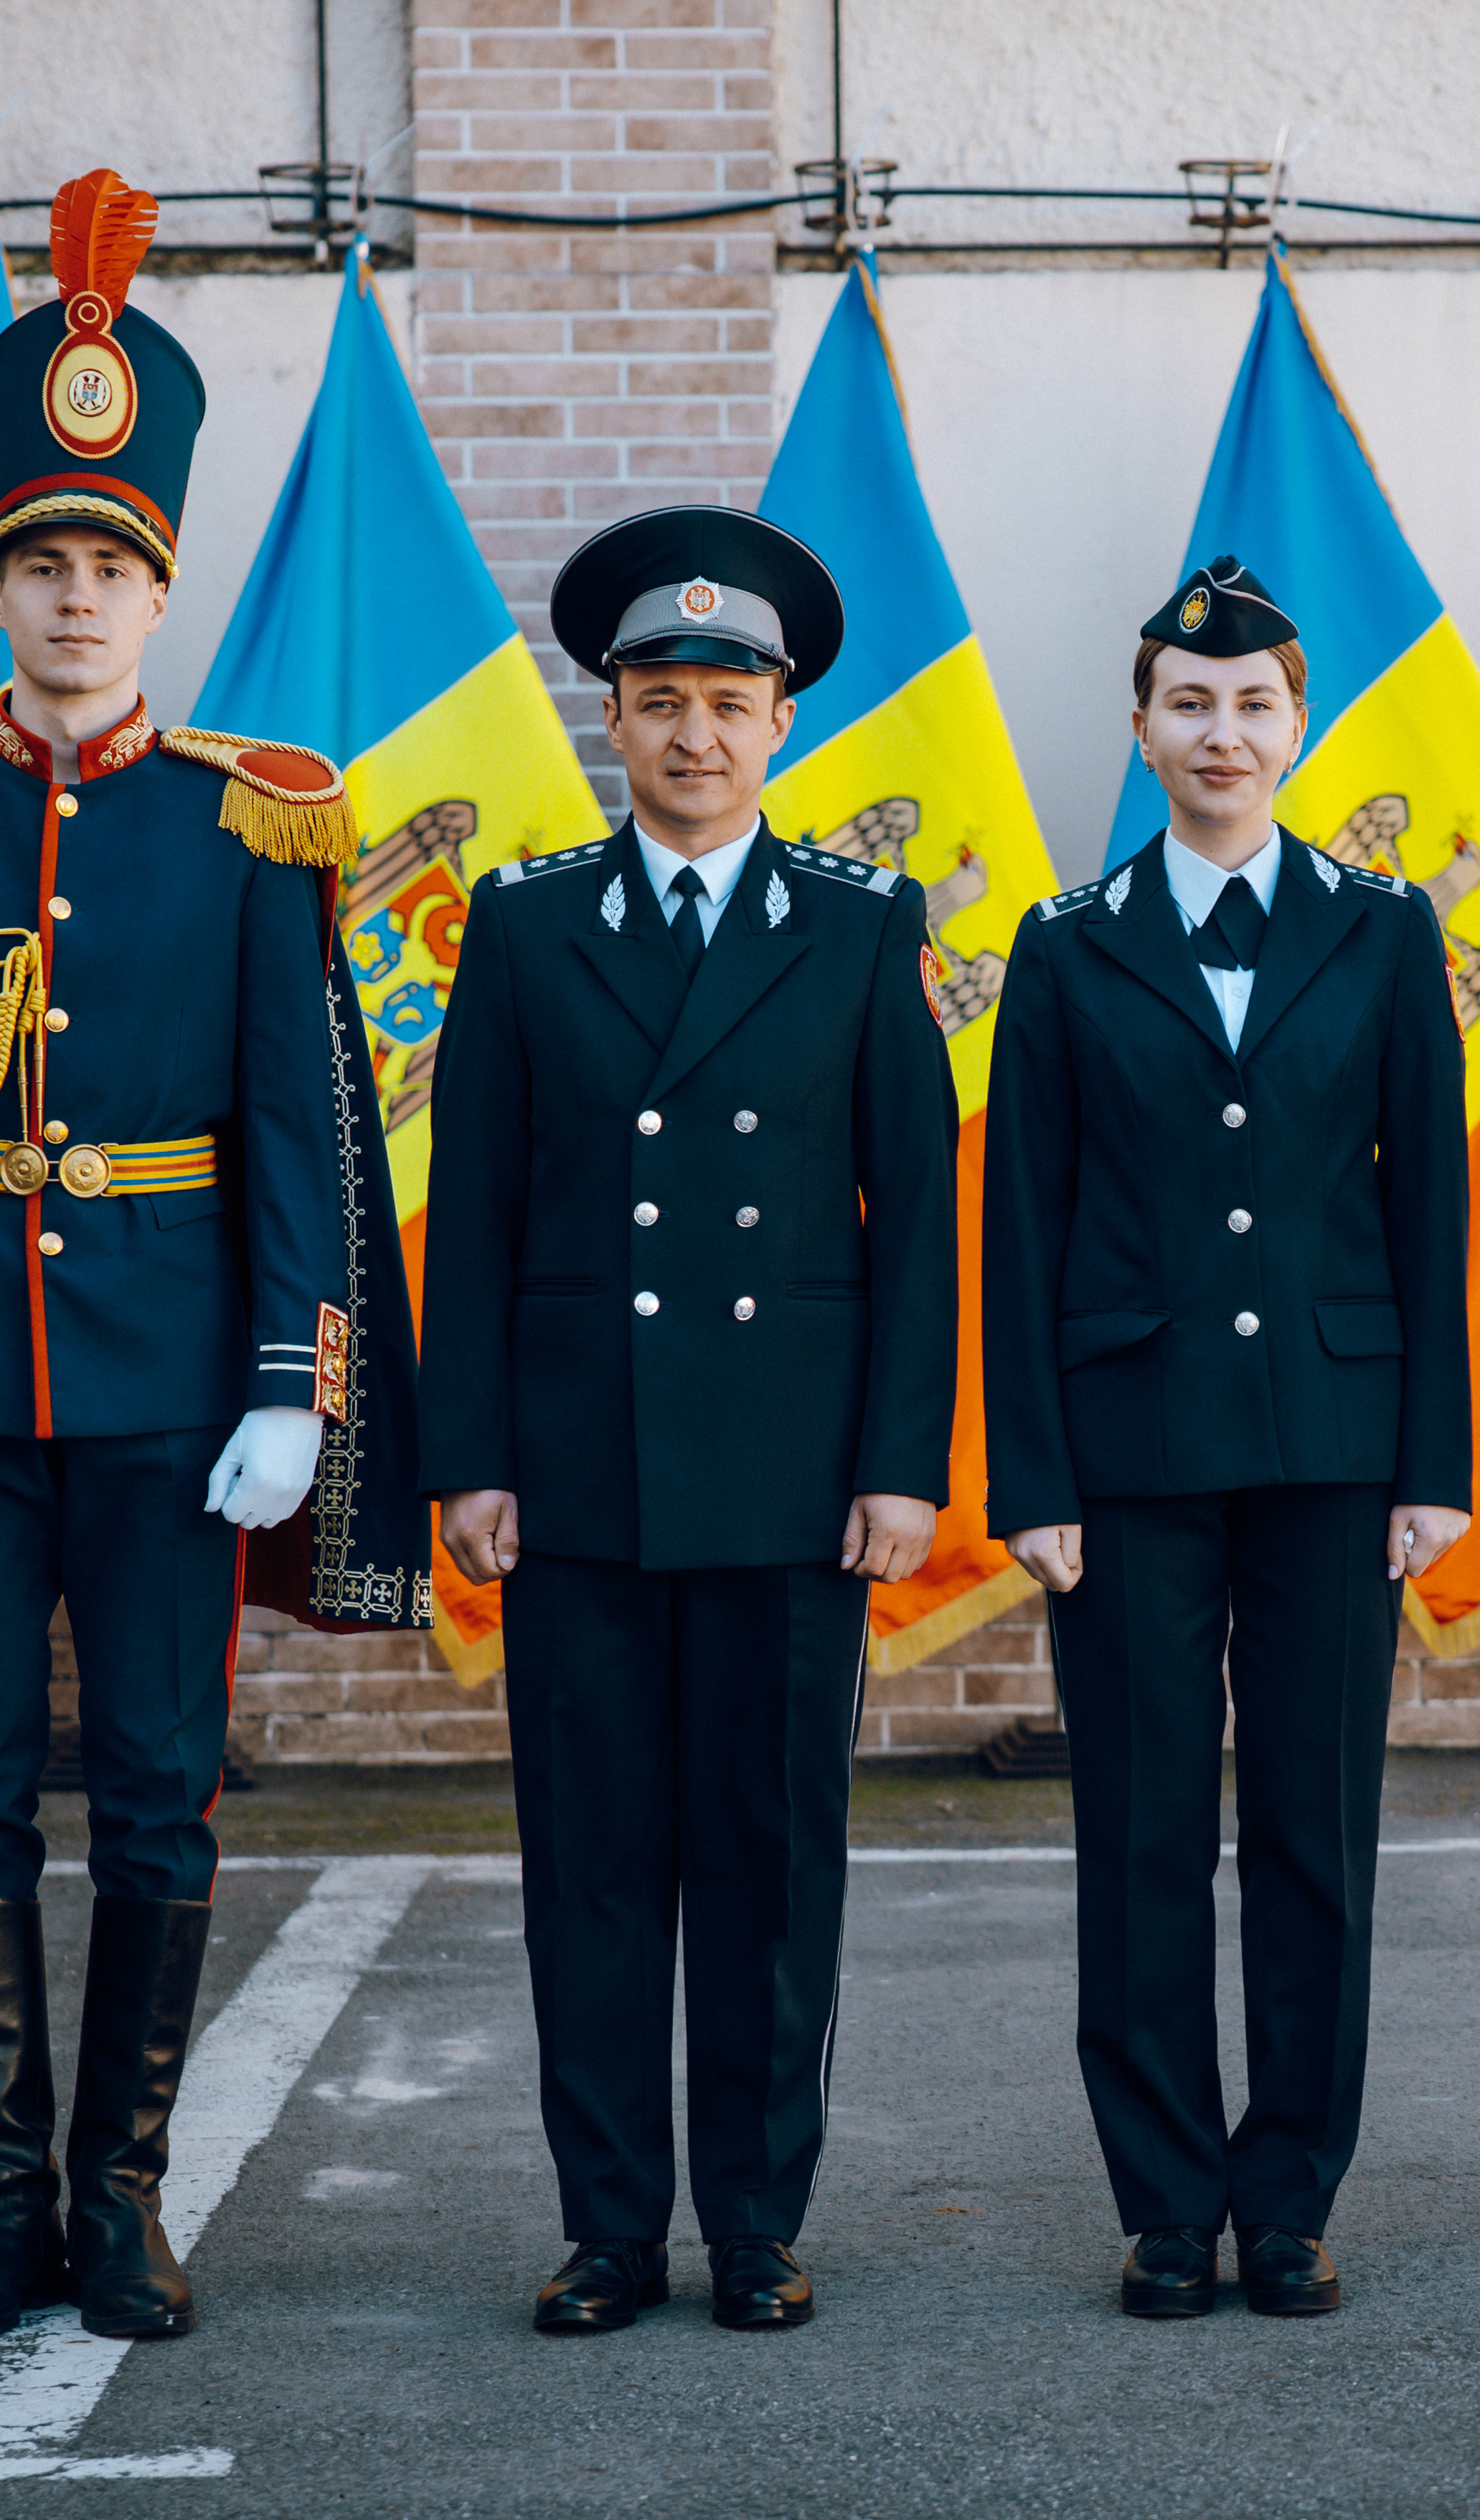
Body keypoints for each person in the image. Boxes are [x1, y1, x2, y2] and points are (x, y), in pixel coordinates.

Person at [0, 169, 431, 2345]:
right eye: (45, 565)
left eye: (114, 567)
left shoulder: (253, 815)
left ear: (162, 587)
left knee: (158, 1792)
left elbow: (295, 1123)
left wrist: (289, 1384)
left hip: (168, 1395)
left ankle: (122, 2195)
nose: (79, 600)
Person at [416, 506, 958, 2336]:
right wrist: (470, 1452)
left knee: (769, 1862)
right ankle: (607, 2225)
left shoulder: (863, 928)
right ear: (615, 721)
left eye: (728, 702)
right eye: (659, 701)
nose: (694, 734)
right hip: (579, 1469)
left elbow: (916, 1220)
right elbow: (475, 1210)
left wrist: (901, 1461)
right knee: (589, 1863)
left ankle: (754, 2218)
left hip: (790, 1476)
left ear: (781, 722)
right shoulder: (525, 923)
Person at [983, 557, 1472, 2321]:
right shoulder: (1063, 943)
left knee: (1313, 1831)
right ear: (1139, 728)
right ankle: (1165, 2201)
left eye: (1253, 703)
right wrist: (1030, 1475)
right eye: (1188, 703)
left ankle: (1288, 2195)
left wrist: (1434, 1461)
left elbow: (1429, 1205)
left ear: (1297, 724)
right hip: (1129, 1450)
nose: (1221, 732)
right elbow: (1020, 1222)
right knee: (1140, 1831)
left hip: (1335, 1442)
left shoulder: (1387, 930)